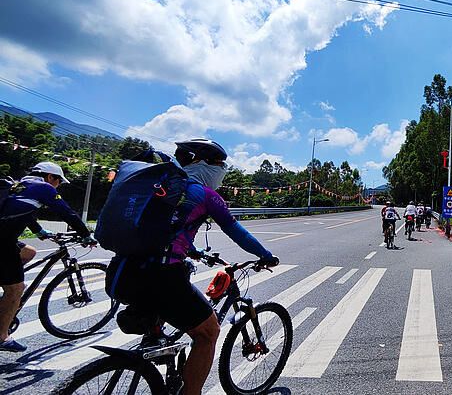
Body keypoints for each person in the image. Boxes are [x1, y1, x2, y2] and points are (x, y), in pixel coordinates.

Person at [104, 139, 279, 395]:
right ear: (204, 164)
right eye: (220, 166)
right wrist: (266, 255)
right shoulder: (205, 195)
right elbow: (236, 231)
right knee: (208, 333)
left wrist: (192, 251)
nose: (221, 171)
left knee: (164, 312)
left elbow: (165, 231)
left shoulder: (160, 188)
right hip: (161, 278)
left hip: (122, 271)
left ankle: (154, 348)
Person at [0, 162, 93, 352]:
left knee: (29, 252)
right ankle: (1, 337)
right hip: (3, 241)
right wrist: (85, 234)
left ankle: (5, 290)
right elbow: (67, 212)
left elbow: (24, 212)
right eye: (59, 181)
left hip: (5, 238)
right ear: (50, 177)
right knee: (16, 289)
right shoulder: (44, 187)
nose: (58, 186)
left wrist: (39, 231)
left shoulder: (19, 185)